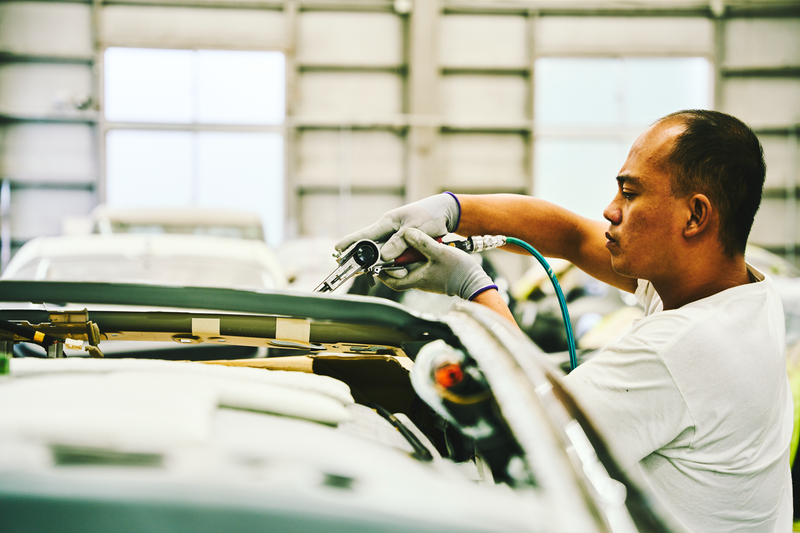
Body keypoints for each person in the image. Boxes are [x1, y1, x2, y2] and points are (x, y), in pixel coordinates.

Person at [335, 109, 793, 532]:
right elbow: (570, 235)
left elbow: (532, 432)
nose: (610, 210)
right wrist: (451, 211)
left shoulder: (684, 349)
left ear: (695, 215)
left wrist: (472, 286)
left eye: (630, 194)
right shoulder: (744, 292)